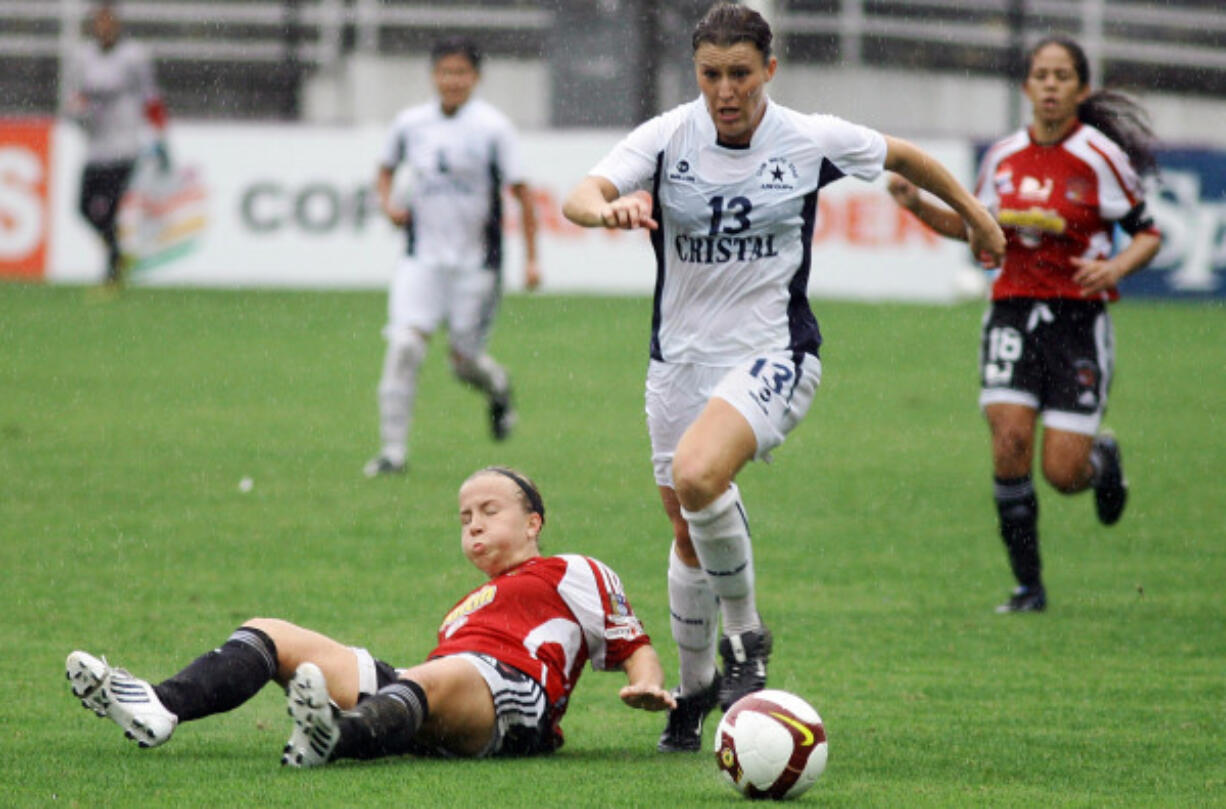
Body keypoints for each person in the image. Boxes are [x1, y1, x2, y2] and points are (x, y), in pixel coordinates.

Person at [562, 3, 1005, 752]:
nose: (725, 90)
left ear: (770, 69)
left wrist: (978, 217)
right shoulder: (669, 137)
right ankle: (697, 687)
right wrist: (607, 211)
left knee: (702, 475)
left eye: (740, 73)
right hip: (677, 362)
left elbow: (905, 157)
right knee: (684, 526)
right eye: (711, 74)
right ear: (695, 74)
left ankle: (747, 639)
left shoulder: (807, 138)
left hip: (773, 352)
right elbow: (581, 194)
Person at [66, 466, 674, 764]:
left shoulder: (572, 570)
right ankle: (162, 703)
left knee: (442, 675)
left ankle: (333, 735)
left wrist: (646, 685)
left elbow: (631, 641)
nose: (475, 525)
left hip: (515, 705)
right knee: (274, 634)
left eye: (489, 510)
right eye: (465, 519)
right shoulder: (465, 606)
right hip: (435, 688)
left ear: (534, 522)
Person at [887, 36, 1161, 614]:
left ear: (1080, 89)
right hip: (1011, 311)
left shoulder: (1099, 156)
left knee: (1062, 472)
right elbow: (973, 227)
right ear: (1026, 87)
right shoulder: (1004, 158)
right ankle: (1028, 589)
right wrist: (915, 205)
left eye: (1063, 76)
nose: (1052, 85)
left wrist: (1114, 266)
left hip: (1077, 321)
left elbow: (1149, 232)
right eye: (1042, 75)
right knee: (1009, 443)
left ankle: (1100, 462)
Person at [364, 37, 542, 478]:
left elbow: (522, 194)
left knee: (463, 363)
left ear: (476, 78)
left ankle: (497, 387)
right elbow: (384, 171)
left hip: (476, 265)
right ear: (433, 75)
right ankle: (392, 453)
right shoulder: (410, 124)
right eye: (445, 72)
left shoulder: (493, 128)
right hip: (421, 259)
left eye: (461, 73)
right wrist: (388, 205)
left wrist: (532, 260)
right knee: (404, 345)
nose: (453, 81)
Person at [63, 1, 170, 288]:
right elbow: (73, 100)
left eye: (109, 22)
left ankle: (112, 268)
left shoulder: (134, 57)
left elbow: (151, 97)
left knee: (110, 208)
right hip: (95, 148)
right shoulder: (82, 57)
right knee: (84, 207)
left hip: (124, 146)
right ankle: (117, 253)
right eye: (100, 22)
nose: (104, 28)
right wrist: (78, 114)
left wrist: (160, 137)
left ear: (117, 25)